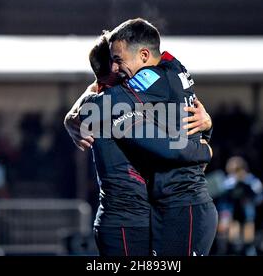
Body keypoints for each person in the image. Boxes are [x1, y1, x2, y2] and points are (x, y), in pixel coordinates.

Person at [72, 34, 213, 256]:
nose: (123, 68)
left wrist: (206, 126)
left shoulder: (133, 102)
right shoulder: (112, 111)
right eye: (116, 61)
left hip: (148, 215)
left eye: (121, 59)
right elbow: (168, 148)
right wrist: (205, 149)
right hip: (126, 222)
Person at [217, 156, 263, 256]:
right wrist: (224, 217)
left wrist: (247, 182)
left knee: (249, 243)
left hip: (247, 215)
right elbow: (223, 199)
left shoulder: (250, 180)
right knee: (234, 244)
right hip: (233, 217)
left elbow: (259, 195)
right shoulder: (229, 182)